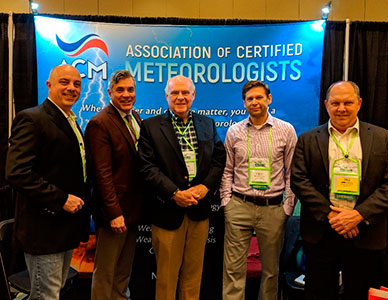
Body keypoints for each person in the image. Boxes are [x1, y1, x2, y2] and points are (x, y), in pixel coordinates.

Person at [291, 81, 388, 300]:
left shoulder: (383, 138)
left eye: (348, 102)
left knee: (360, 293)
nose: (342, 108)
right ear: (326, 105)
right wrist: (332, 216)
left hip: (365, 232)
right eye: (335, 103)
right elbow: (299, 180)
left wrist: (357, 216)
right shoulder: (307, 139)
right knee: (318, 293)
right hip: (321, 232)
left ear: (359, 104)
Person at [138, 75, 226, 300]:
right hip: (167, 212)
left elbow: (218, 158)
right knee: (166, 279)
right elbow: (147, 168)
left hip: (199, 211)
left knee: (193, 277)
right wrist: (175, 194)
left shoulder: (207, 123)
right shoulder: (150, 126)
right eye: (175, 93)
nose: (180, 97)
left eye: (185, 93)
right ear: (166, 96)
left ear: (193, 95)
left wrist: (206, 187)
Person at [6, 64, 89, 299]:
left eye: (76, 84)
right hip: (43, 230)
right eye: (64, 82)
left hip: (64, 228)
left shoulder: (70, 120)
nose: (71, 88)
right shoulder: (32, 119)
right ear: (49, 85)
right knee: (46, 296)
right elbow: (17, 172)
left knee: (53, 291)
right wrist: (61, 199)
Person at [220, 80, 297, 300]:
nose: (254, 102)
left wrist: (287, 207)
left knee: (271, 271)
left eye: (259, 97)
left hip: (273, 209)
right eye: (249, 99)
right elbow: (227, 170)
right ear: (244, 103)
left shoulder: (286, 130)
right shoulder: (234, 131)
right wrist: (227, 202)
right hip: (239, 206)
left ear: (269, 99)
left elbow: (292, 172)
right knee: (233, 269)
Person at [85, 70, 143, 300]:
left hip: (132, 211)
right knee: (106, 273)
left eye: (130, 89)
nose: (126, 94)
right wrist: (114, 213)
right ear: (109, 92)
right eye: (120, 90)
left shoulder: (134, 117)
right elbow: (102, 174)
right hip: (114, 214)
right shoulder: (100, 123)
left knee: (122, 273)